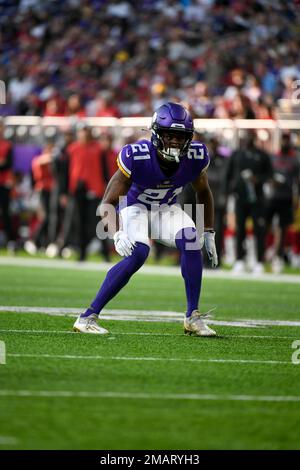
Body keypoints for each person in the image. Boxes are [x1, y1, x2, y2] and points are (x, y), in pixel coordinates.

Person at [73, 102, 218, 336]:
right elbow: (107, 203)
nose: (176, 142)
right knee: (138, 253)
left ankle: (193, 316)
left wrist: (208, 230)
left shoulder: (195, 155)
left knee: (191, 240)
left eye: (181, 137)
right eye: (170, 135)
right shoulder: (137, 155)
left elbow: (204, 192)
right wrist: (117, 232)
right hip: (134, 209)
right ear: (157, 134)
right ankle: (87, 316)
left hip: (165, 209)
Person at [225, 131, 273, 274]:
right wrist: (228, 191)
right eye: (247, 136)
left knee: (259, 230)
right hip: (240, 198)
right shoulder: (237, 154)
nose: (249, 139)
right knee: (240, 230)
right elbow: (229, 174)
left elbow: (269, 174)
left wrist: (257, 179)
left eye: (251, 136)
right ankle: (240, 260)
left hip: (257, 199)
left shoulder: (262, 155)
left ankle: (259, 262)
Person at [265, 133, 300, 273]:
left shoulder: (294, 159)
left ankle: (278, 255)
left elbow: (298, 181)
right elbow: (267, 175)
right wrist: (271, 181)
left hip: (286, 197)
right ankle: (264, 252)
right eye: (283, 140)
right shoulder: (273, 157)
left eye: (287, 140)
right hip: (272, 196)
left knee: (283, 228)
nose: (285, 143)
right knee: (265, 225)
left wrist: (296, 199)